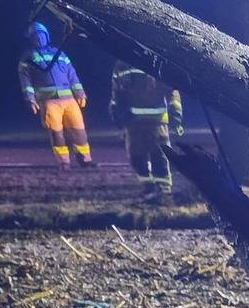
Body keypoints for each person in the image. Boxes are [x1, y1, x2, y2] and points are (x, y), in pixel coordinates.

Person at [18, 21, 93, 169]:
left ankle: (85, 159)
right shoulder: (28, 57)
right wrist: (30, 99)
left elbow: (72, 74)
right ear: (31, 39)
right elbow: (25, 80)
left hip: (69, 100)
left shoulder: (59, 53)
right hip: (48, 101)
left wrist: (80, 92)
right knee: (56, 133)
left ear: (47, 36)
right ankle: (64, 162)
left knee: (79, 130)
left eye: (42, 35)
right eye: (36, 36)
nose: (39, 38)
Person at [110, 60, 184, 204]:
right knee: (135, 156)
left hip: (157, 120)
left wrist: (175, 114)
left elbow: (171, 90)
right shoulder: (122, 65)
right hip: (133, 121)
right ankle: (148, 186)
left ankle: (163, 189)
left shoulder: (157, 61)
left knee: (160, 154)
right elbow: (116, 91)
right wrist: (117, 112)